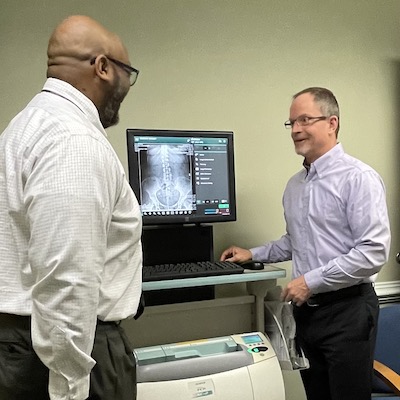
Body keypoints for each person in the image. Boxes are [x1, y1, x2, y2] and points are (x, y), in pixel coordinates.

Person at [0, 15, 143, 400]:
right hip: (63, 355)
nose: (128, 86)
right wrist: (70, 387)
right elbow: (68, 277)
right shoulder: (73, 141)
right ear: (102, 67)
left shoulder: (25, 126)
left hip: (29, 345)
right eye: (127, 74)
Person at [220, 87, 391, 400]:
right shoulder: (295, 186)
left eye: (305, 120)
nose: (296, 130)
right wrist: (253, 253)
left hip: (348, 311)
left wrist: (310, 282)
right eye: (291, 123)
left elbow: (372, 253)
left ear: (332, 123)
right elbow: (295, 242)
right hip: (308, 315)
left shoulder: (359, 179)